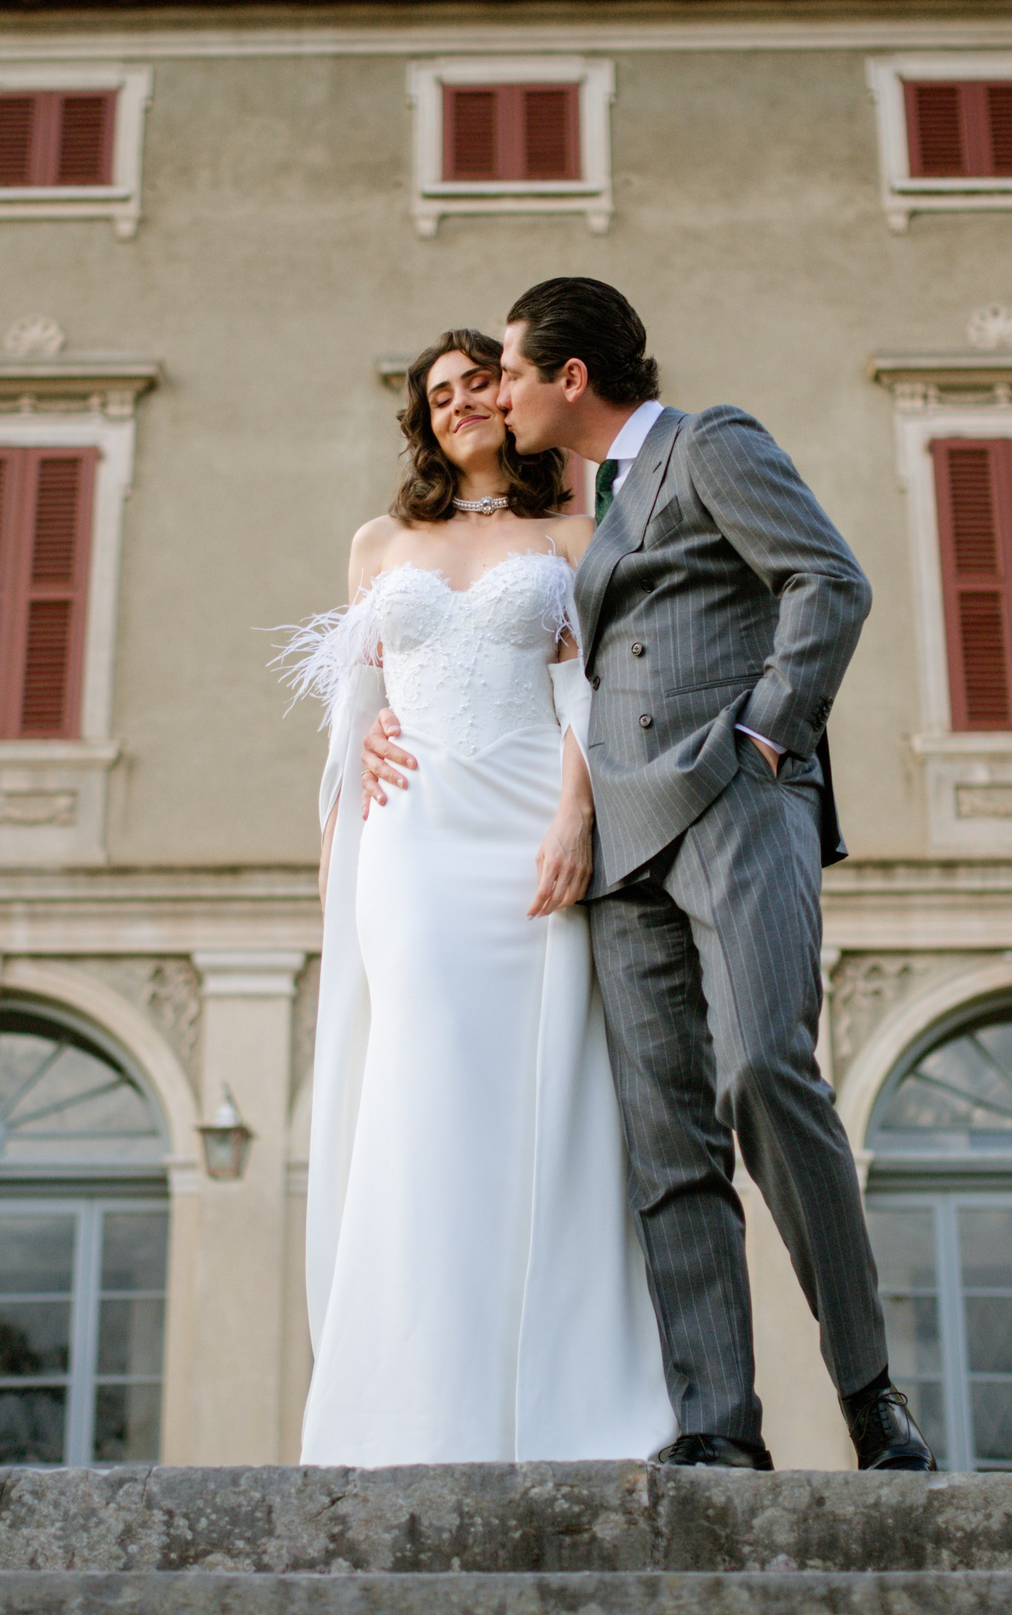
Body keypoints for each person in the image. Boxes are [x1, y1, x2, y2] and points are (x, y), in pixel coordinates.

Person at [364, 279, 934, 1472]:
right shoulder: (583, 507)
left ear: (569, 377)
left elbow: (829, 581)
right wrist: (385, 714)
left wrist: (768, 736)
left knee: (765, 1070)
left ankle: (871, 1394)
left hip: (732, 805)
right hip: (618, 854)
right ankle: (718, 1422)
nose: (495, 395)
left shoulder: (708, 444)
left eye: (510, 371)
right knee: (666, 1141)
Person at [286, 327, 674, 1465]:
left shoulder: (575, 535)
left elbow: (593, 694)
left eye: (479, 383)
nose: (461, 401)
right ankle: (413, 1402)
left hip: (530, 825)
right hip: (410, 844)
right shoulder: (377, 543)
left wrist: (576, 819)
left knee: (541, 1090)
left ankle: (548, 1395)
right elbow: (355, 714)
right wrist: (340, 859)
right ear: (424, 418)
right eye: (440, 392)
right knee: (421, 1082)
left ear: (512, 400)